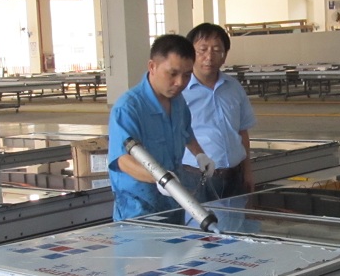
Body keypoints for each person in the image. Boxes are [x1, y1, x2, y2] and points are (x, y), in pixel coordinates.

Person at [108, 34, 215, 221]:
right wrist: (160, 178)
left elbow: (186, 132)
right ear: (152, 67)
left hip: (174, 201)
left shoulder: (178, 101)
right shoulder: (128, 108)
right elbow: (123, 160)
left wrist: (200, 154)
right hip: (139, 209)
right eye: (172, 74)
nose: (180, 82)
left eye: (187, 75)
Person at [180, 23, 257, 203]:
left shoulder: (234, 88)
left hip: (235, 177)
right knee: (200, 222)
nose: (209, 57)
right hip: (195, 178)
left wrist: (248, 171)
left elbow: (242, 132)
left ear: (225, 55)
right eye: (202, 50)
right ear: (190, 53)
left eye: (216, 50)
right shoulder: (180, 91)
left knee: (236, 221)